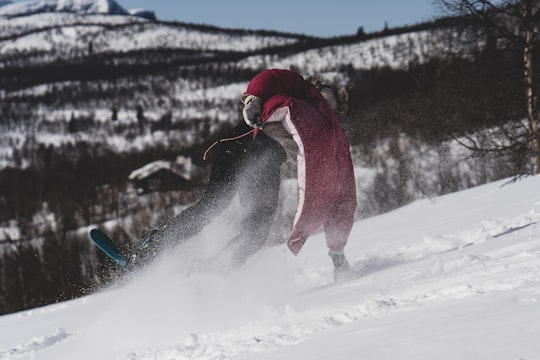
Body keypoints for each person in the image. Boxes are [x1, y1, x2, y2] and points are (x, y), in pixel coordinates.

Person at [135, 69, 357, 277]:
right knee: (213, 205)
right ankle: (152, 248)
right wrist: (254, 99)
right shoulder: (302, 90)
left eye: (333, 110)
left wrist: (337, 253)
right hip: (243, 142)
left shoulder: (329, 140)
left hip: (267, 165)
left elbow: (340, 196)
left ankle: (209, 273)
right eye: (326, 98)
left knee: (255, 231)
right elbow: (271, 78)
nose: (325, 108)